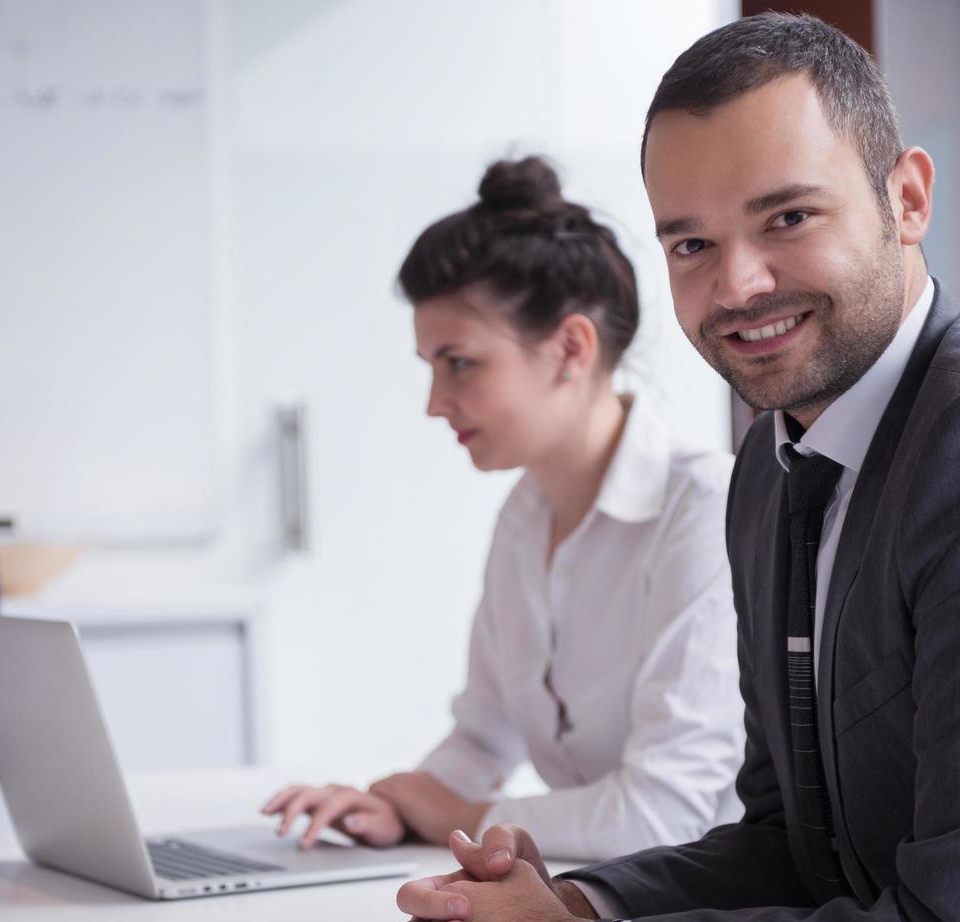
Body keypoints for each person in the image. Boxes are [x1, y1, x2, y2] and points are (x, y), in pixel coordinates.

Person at [389, 14, 960, 922]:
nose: (736, 284)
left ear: (905, 198)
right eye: (690, 244)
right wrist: (568, 899)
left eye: (787, 218)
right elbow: (792, 847)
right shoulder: (770, 471)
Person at [263, 157, 745, 863]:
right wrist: (398, 803)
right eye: (428, 365)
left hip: (709, 920)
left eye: (458, 363)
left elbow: (662, 817)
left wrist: (460, 815)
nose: (433, 402)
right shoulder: (523, 518)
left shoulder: (705, 511)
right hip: (590, 894)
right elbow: (486, 735)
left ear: (570, 349)